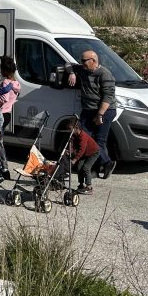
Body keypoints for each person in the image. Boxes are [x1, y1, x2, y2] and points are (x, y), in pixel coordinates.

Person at [67, 50, 117, 180]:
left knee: (99, 140)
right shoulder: (83, 69)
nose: (81, 63)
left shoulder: (105, 74)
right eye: (81, 61)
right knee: (84, 137)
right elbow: (68, 65)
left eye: (84, 61)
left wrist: (99, 115)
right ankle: (94, 167)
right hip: (88, 110)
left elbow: (108, 97)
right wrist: (72, 73)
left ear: (93, 61)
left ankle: (106, 163)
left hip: (104, 111)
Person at [0, 56, 21, 185]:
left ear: (5, 70)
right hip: (8, 113)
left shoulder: (6, 83)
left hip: (1, 113)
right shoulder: (17, 84)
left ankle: (4, 168)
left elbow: (2, 99)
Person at [65, 116, 100, 194]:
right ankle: (81, 185)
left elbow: (82, 149)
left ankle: (89, 187)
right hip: (85, 153)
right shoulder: (73, 135)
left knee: (86, 168)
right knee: (79, 167)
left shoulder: (83, 136)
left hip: (93, 153)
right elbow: (71, 144)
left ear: (76, 128)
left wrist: (75, 159)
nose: (69, 131)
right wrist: (69, 151)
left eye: (70, 129)